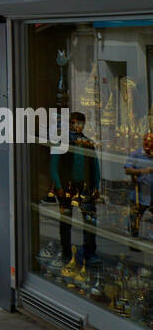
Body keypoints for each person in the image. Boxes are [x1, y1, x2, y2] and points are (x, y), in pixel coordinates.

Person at [51, 111, 100, 267]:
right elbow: (53, 166)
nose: (76, 125)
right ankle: (66, 252)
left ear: (84, 124)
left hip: (85, 187)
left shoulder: (88, 142)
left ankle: (90, 253)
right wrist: (58, 186)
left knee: (90, 220)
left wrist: (96, 186)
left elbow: (95, 167)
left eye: (79, 123)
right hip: (67, 186)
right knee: (66, 221)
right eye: (73, 122)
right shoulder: (62, 142)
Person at [125, 130, 153, 236]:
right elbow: (127, 169)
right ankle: (133, 241)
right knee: (135, 220)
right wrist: (142, 171)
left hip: (152, 193)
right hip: (139, 193)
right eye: (145, 140)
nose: (147, 142)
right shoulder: (136, 154)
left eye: (150, 141)